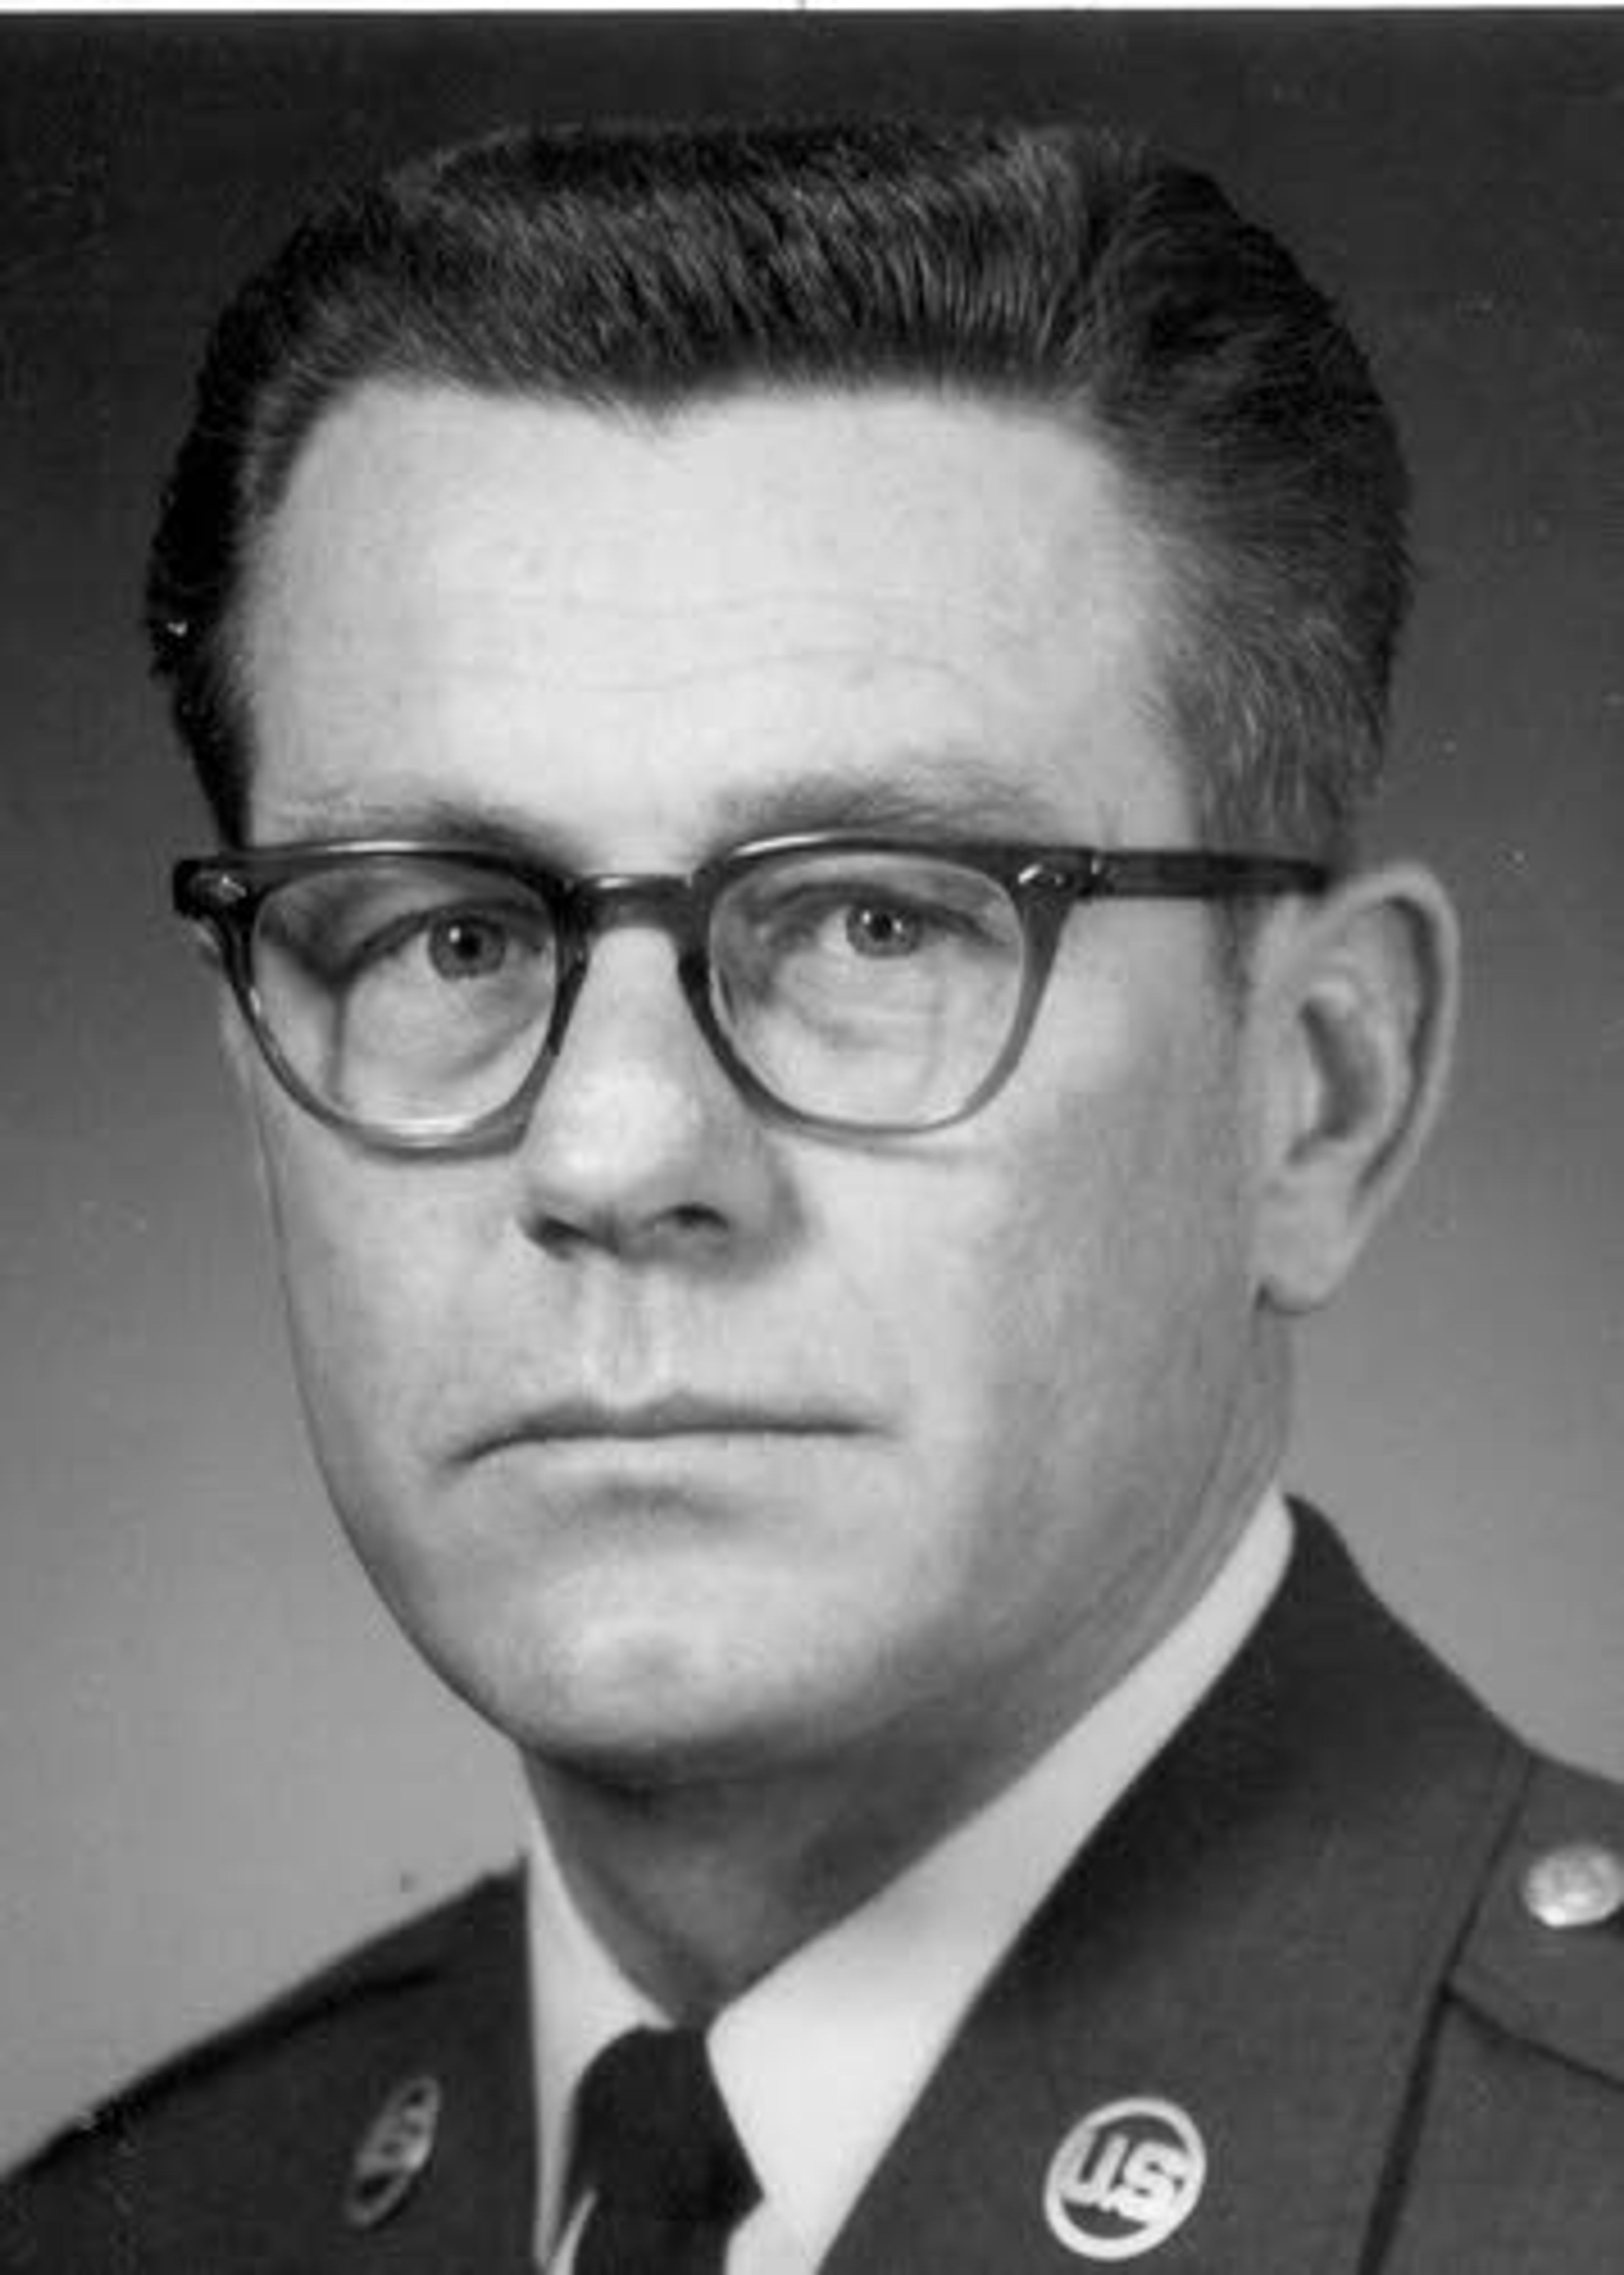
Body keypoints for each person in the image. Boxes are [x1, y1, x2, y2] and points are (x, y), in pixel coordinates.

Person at [4, 116, 1621, 2274]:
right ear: (260, 1105)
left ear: (1318, 1095)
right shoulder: (147, 2231)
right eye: (448, 938)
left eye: (879, 921)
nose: (612, 1155)